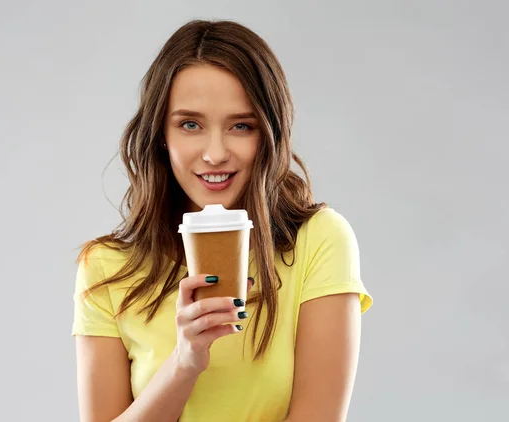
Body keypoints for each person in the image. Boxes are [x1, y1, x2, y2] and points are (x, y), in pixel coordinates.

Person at [71, 19, 373, 422]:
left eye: (241, 126)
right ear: (161, 134)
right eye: (190, 124)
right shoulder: (106, 266)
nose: (215, 153)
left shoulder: (319, 240)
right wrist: (185, 362)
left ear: (269, 134)